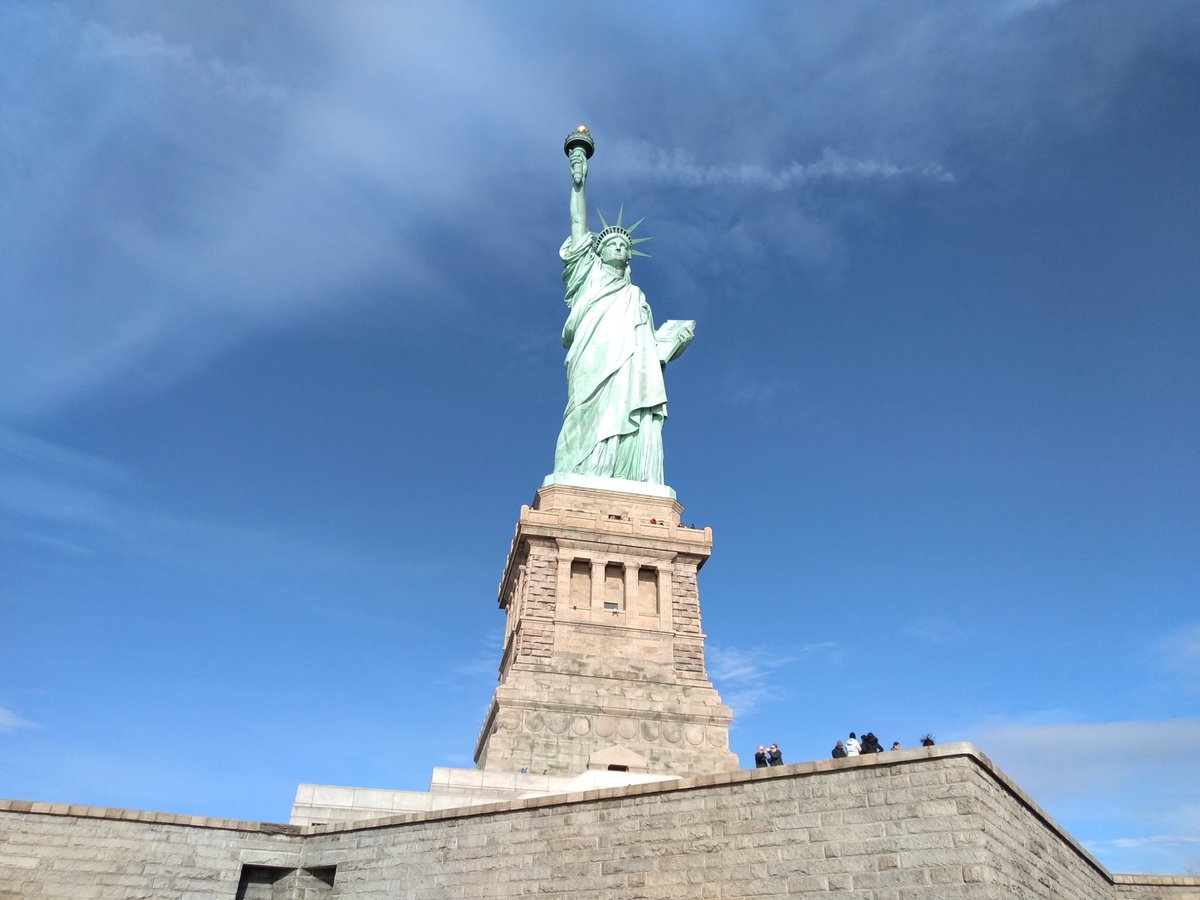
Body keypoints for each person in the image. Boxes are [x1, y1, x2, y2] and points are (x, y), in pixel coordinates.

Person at [553, 141, 694, 484]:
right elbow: (577, 223)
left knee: (625, 403)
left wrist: (667, 345)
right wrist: (578, 183)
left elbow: (647, 348)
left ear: (629, 256)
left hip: (629, 365)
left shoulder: (636, 295)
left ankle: (625, 472)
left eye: (624, 245)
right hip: (592, 354)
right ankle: (582, 468)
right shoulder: (588, 275)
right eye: (611, 244)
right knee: (583, 411)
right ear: (598, 253)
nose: (618, 246)